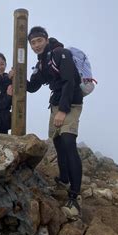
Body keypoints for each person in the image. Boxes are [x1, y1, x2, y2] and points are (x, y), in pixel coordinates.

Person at [26, 26, 84, 218]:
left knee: (68, 142)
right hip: (55, 105)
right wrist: (16, 77)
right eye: (32, 43)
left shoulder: (61, 53)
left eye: (39, 41)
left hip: (70, 104)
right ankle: (64, 178)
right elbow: (33, 86)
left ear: (46, 39)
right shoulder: (42, 62)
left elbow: (70, 81)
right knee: (58, 142)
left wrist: (63, 111)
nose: (36, 45)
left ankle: (75, 197)